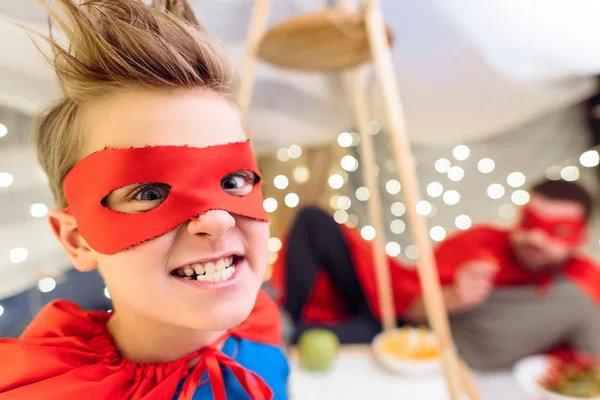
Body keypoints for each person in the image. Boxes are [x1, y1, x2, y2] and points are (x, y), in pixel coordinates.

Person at [0, 1, 289, 399]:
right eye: (149, 193)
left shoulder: (259, 327)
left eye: (233, 179)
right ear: (77, 239)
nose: (218, 219)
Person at [271, 179, 600, 369]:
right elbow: (409, 300)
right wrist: (452, 296)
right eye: (529, 223)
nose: (535, 238)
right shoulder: (483, 244)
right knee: (313, 218)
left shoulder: (583, 292)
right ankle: (286, 313)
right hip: (396, 306)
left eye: (556, 230)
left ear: (580, 238)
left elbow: (588, 362)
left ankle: (281, 330)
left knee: (302, 337)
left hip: (415, 345)